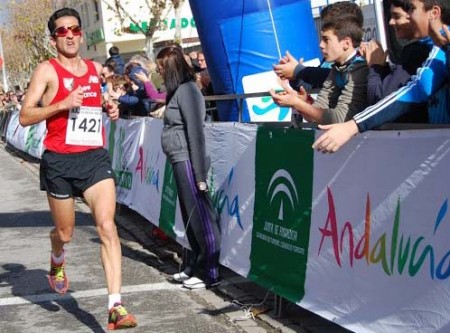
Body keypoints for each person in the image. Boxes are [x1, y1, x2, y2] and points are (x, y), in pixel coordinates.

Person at [18, 8, 137, 330]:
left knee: (108, 227)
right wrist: (60, 104)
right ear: (54, 38)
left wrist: (108, 106)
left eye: (74, 29)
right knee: (66, 233)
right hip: (59, 160)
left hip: (94, 157)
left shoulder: (95, 68)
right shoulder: (46, 70)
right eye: (62, 31)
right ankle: (57, 257)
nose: (69, 34)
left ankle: (116, 306)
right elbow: (25, 116)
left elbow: (95, 102)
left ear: (81, 33)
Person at [313, 0, 450, 153]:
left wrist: (353, 126)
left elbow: (413, 92)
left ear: (434, 13)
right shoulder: (437, 46)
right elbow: (415, 89)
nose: (405, 17)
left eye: (411, 10)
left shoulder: (440, 48)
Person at [156, 46, 221, 290]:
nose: (159, 73)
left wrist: (200, 174)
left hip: (187, 160)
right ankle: (195, 264)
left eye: (162, 69)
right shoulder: (177, 92)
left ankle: (210, 271)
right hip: (178, 158)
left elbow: (196, 133)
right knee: (189, 216)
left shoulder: (189, 91)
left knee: (201, 217)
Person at [270, 13, 368, 124]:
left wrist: (297, 103)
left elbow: (340, 118)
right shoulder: (336, 69)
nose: (321, 45)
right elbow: (315, 115)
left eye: (326, 40)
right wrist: (303, 102)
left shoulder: (360, 69)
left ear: (346, 43)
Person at [359, 0, 431, 123]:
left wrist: (374, 68)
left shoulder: (416, 53)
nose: (391, 22)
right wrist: (382, 66)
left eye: (397, 16)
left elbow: (379, 102)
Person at [273, 1, 364, 91]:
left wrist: (298, 71)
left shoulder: (360, 64)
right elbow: (314, 87)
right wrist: (296, 78)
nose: (321, 45)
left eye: (326, 39)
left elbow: (331, 77)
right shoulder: (329, 61)